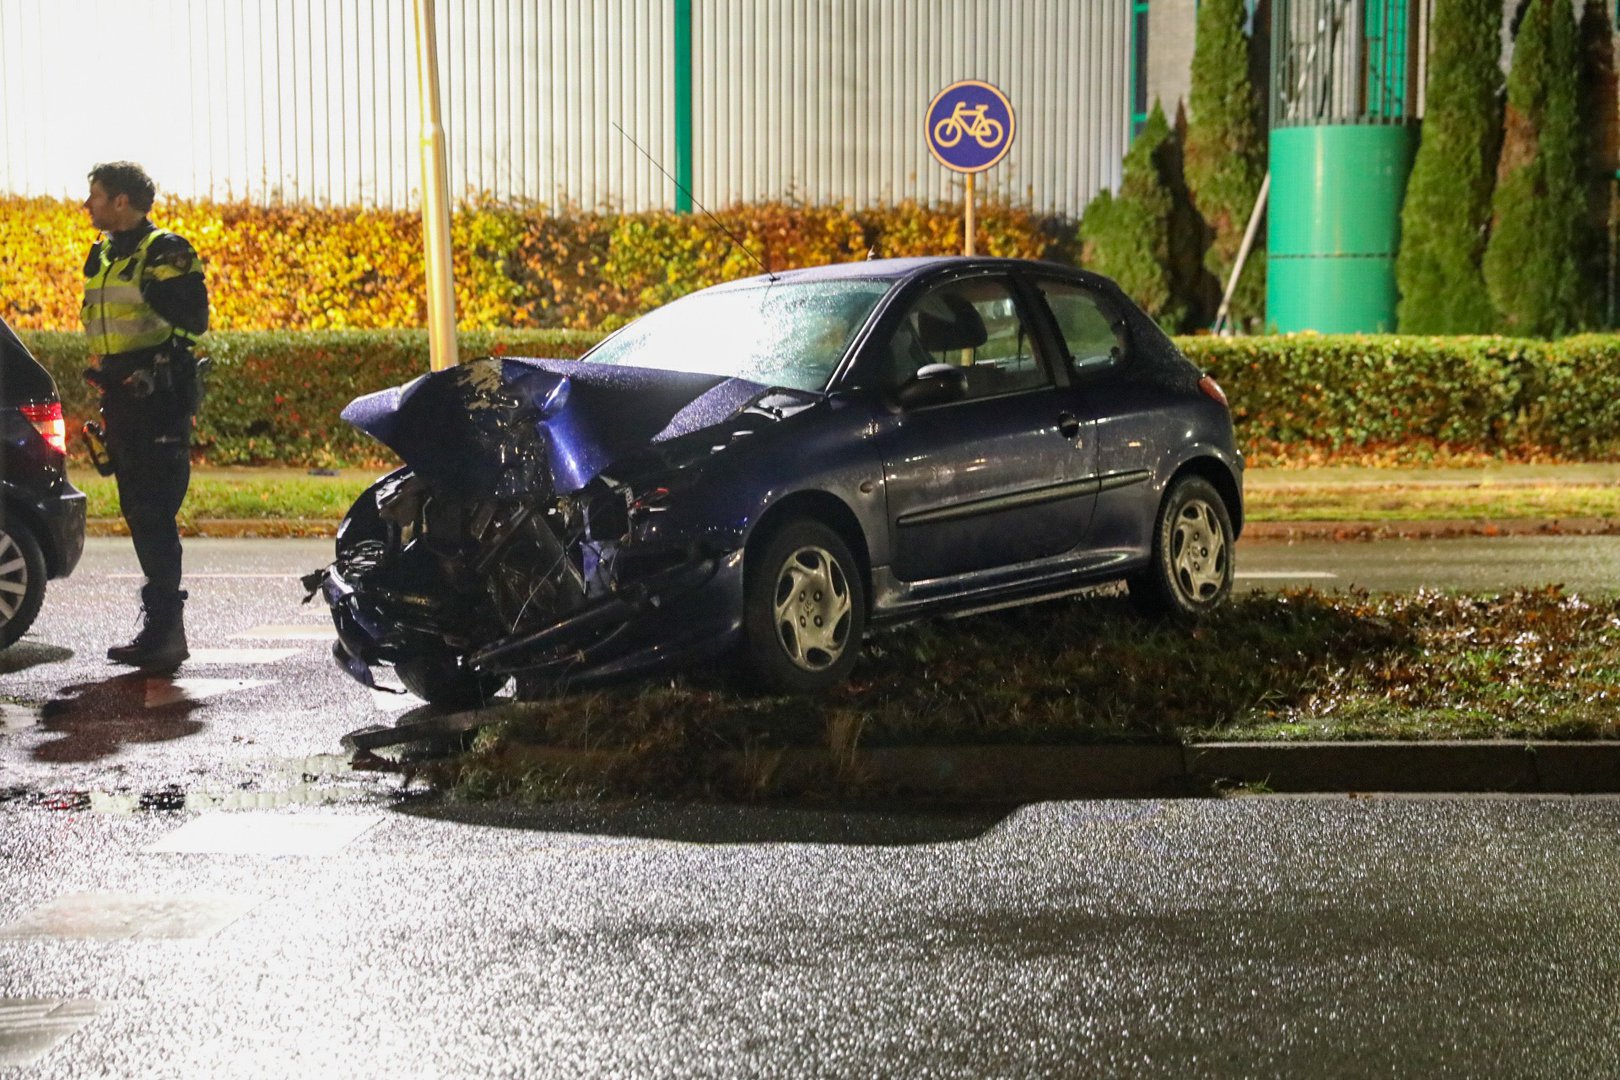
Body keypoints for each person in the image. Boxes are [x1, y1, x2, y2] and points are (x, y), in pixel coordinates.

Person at [81, 161, 208, 669]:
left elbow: (193, 321)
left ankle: (166, 632)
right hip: (123, 396)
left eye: (95, 195)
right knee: (138, 510)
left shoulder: (165, 251)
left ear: (121, 201)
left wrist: (152, 372)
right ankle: (161, 630)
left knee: (154, 511)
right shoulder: (104, 253)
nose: (86, 204)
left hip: (157, 396)